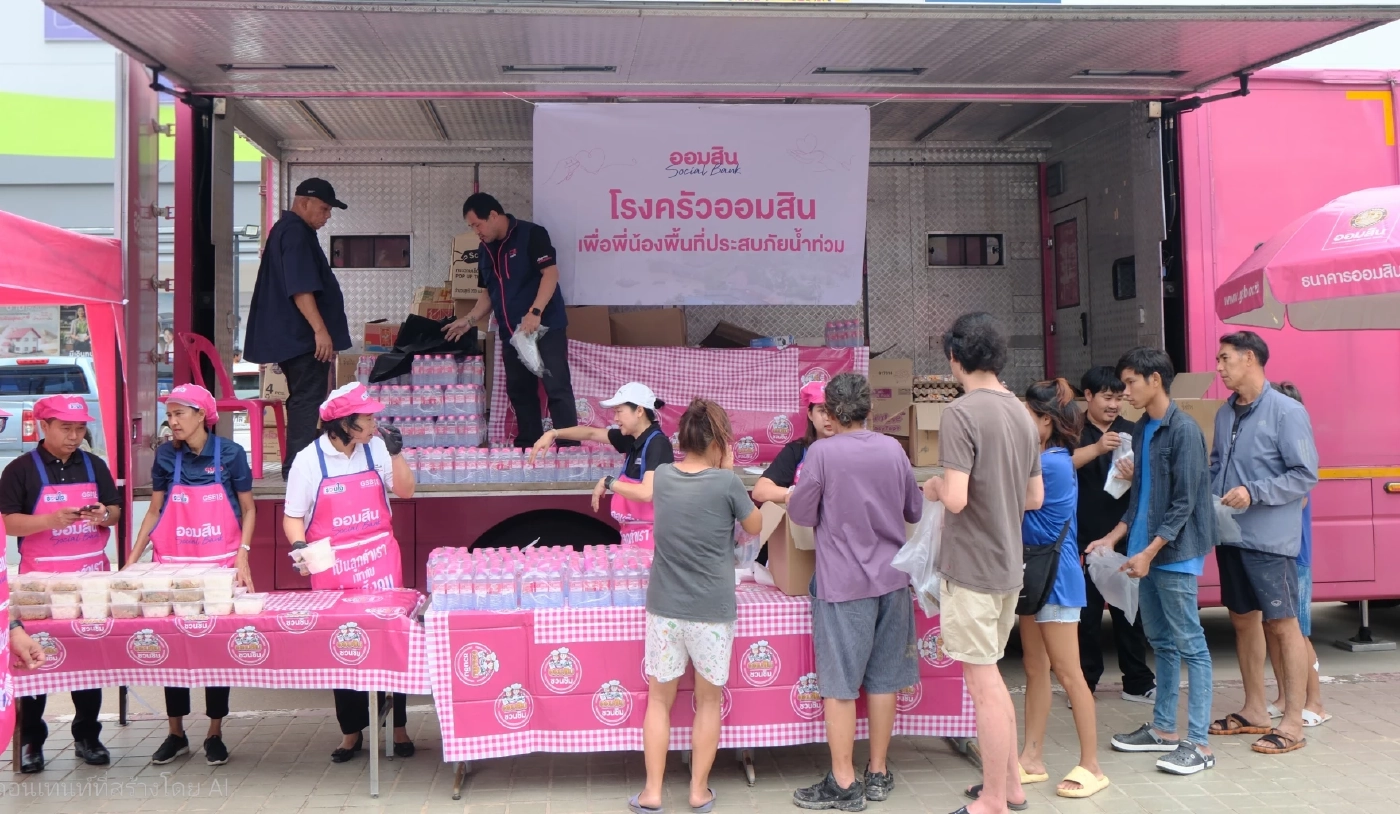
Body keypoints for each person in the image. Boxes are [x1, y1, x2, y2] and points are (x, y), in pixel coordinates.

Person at [920, 313, 1042, 814]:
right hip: (1008, 565)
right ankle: (1010, 787)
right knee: (992, 677)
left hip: (971, 566)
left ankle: (993, 799)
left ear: (954, 358)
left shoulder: (961, 413)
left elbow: (955, 499)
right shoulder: (1020, 411)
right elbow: (1034, 497)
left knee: (984, 685)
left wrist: (932, 485)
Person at [787, 373, 923, 812]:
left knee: (841, 684)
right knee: (884, 680)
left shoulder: (820, 453)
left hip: (843, 583)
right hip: (893, 579)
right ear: (869, 409)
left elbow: (803, 513)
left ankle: (844, 782)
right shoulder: (893, 449)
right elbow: (914, 508)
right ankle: (878, 772)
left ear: (829, 412)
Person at [630, 399, 761, 814]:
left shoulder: (665, 476)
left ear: (683, 439)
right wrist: (730, 470)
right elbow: (755, 526)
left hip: (664, 606)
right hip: (712, 610)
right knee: (707, 701)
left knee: (658, 700)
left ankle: (651, 792)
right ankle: (698, 791)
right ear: (719, 441)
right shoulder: (727, 484)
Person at [1091, 347, 1216, 776]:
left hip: (1173, 555)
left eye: (1129, 383)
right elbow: (1139, 499)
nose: (1124, 392)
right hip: (1145, 553)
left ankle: (1198, 743)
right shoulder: (1143, 429)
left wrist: (1147, 552)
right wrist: (1112, 538)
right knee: (1160, 643)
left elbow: (1185, 503)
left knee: (1191, 647)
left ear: (1155, 380)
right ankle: (1163, 730)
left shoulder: (1184, 431)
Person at [282, 383, 417, 761]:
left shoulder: (375, 447)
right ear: (344, 424)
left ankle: (400, 727)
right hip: (335, 569)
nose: (375, 423)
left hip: (380, 561)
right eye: (368, 417)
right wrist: (298, 546)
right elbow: (293, 517)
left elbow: (406, 491)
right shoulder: (308, 461)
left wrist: (397, 453)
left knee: (393, 641)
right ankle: (351, 732)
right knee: (345, 646)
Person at [127, 384, 255, 766]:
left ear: (202, 415)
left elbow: (248, 509)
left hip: (220, 566)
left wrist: (243, 555)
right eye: (169, 415)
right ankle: (175, 731)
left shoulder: (231, 454)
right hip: (173, 567)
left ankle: (215, 731)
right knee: (173, 649)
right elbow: (154, 512)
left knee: (216, 648)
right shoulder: (166, 456)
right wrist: (133, 560)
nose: (173, 421)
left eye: (179, 413)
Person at [1207, 332, 1318, 755]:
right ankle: (1255, 709)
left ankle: (1293, 721)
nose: (1219, 368)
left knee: (1282, 624)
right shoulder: (1225, 413)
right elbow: (1218, 463)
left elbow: (1305, 474)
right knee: (1241, 619)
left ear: (1249, 358)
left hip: (1270, 541)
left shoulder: (1286, 412)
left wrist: (1254, 491)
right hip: (1230, 533)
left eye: (1224, 359)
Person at [0, 395, 122, 772]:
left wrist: (103, 514)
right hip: (41, 585)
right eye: (66, 428)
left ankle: (87, 735)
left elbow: (115, 510)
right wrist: (49, 521)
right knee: (35, 659)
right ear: (44, 427)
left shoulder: (94, 464)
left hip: (90, 577)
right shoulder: (20, 469)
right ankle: (32, 741)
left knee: (89, 658)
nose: (74, 436)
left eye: (80, 428)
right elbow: (7, 523)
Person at [1013, 379, 1109, 799]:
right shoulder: (1045, 457)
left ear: (1046, 421)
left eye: (1027, 417)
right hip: (1035, 574)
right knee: (1035, 669)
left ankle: (1092, 765)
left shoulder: (1049, 463)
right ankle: (1030, 759)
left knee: (1071, 675)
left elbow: (1008, 499)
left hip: (1055, 577)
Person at [444, 193, 578, 448]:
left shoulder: (532, 234)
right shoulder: (484, 249)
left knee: (556, 387)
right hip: (511, 333)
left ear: (494, 215)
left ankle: (569, 447)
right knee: (520, 390)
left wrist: (535, 312)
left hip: (544, 327)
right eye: (472, 227)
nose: (476, 232)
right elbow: (488, 293)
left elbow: (550, 273)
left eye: (477, 225)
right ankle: (529, 445)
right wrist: (470, 319)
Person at [244, 178, 353, 479]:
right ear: (303, 202)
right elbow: (301, 288)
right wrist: (320, 330)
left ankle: (302, 464)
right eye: (323, 208)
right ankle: (298, 470)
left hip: (295, 335)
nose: (327, 216)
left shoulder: (289, 230)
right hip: (302, 337)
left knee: (306, 398)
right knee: (307, 399)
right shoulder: (295, 232)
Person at [1072, 366, 1156, 704]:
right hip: (1083, 536)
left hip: (1124, 535)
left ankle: (1137, 681)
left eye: (1119, 398)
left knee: (1128, 613)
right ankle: (1084, 685)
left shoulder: (1133, 431)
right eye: (1107, 397)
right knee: (1086, 617)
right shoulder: (1072, 430)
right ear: (1088, 396)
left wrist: (1137, 474)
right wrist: (1096, 448)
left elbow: (1152, 482)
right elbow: (1052, 467)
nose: (1114, 405)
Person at [530, 382, 671, 548]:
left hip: (651, 541)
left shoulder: (657, 444)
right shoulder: (631, 438)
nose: (615, 418)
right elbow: (591, 433)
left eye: (619, 411)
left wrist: (608, 482)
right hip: (631, 537)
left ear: (639, 411)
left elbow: (646, 493)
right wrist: (553, 433)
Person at [1264, 382, 1328, 727]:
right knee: (1273, 628)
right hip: (1273, 554)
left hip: (1293, 556)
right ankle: (1285, 697)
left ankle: (1315, 703)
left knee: (1297, 632)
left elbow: (1296, 501)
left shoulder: (1298, 461)